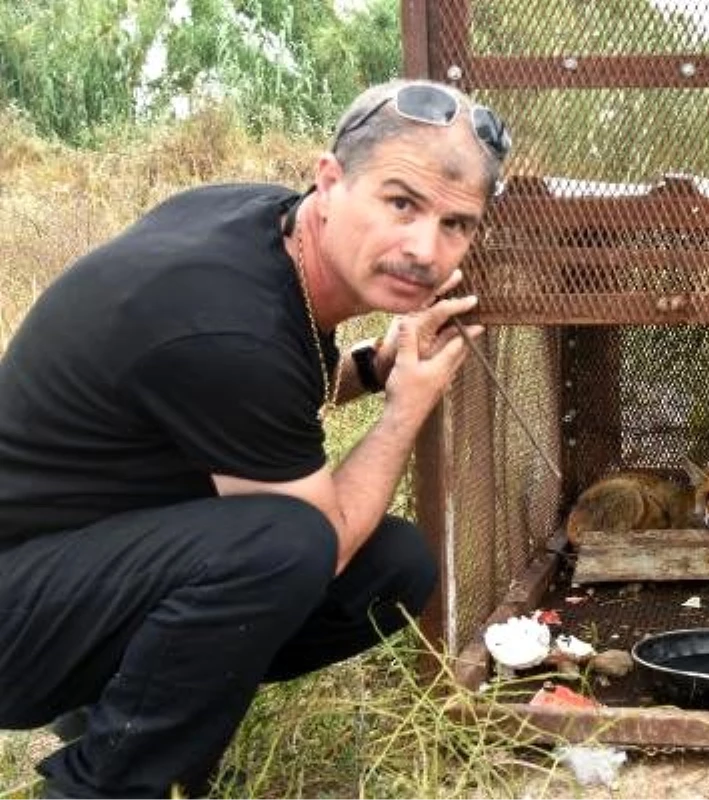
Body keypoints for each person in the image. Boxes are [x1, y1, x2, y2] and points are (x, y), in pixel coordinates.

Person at [0, 78, 510, 799]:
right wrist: (403, 410)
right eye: (402, 203)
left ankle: (123, 714)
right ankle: (101, 786)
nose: (426, 249)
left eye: (456, 224)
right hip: (16, 612)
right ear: (329, 180)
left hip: (79, 566)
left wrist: (370, 367)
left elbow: (260, 389)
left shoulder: (260, 225)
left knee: (396, 565)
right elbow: (317, 543)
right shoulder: (225, 325)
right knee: (288, 544)